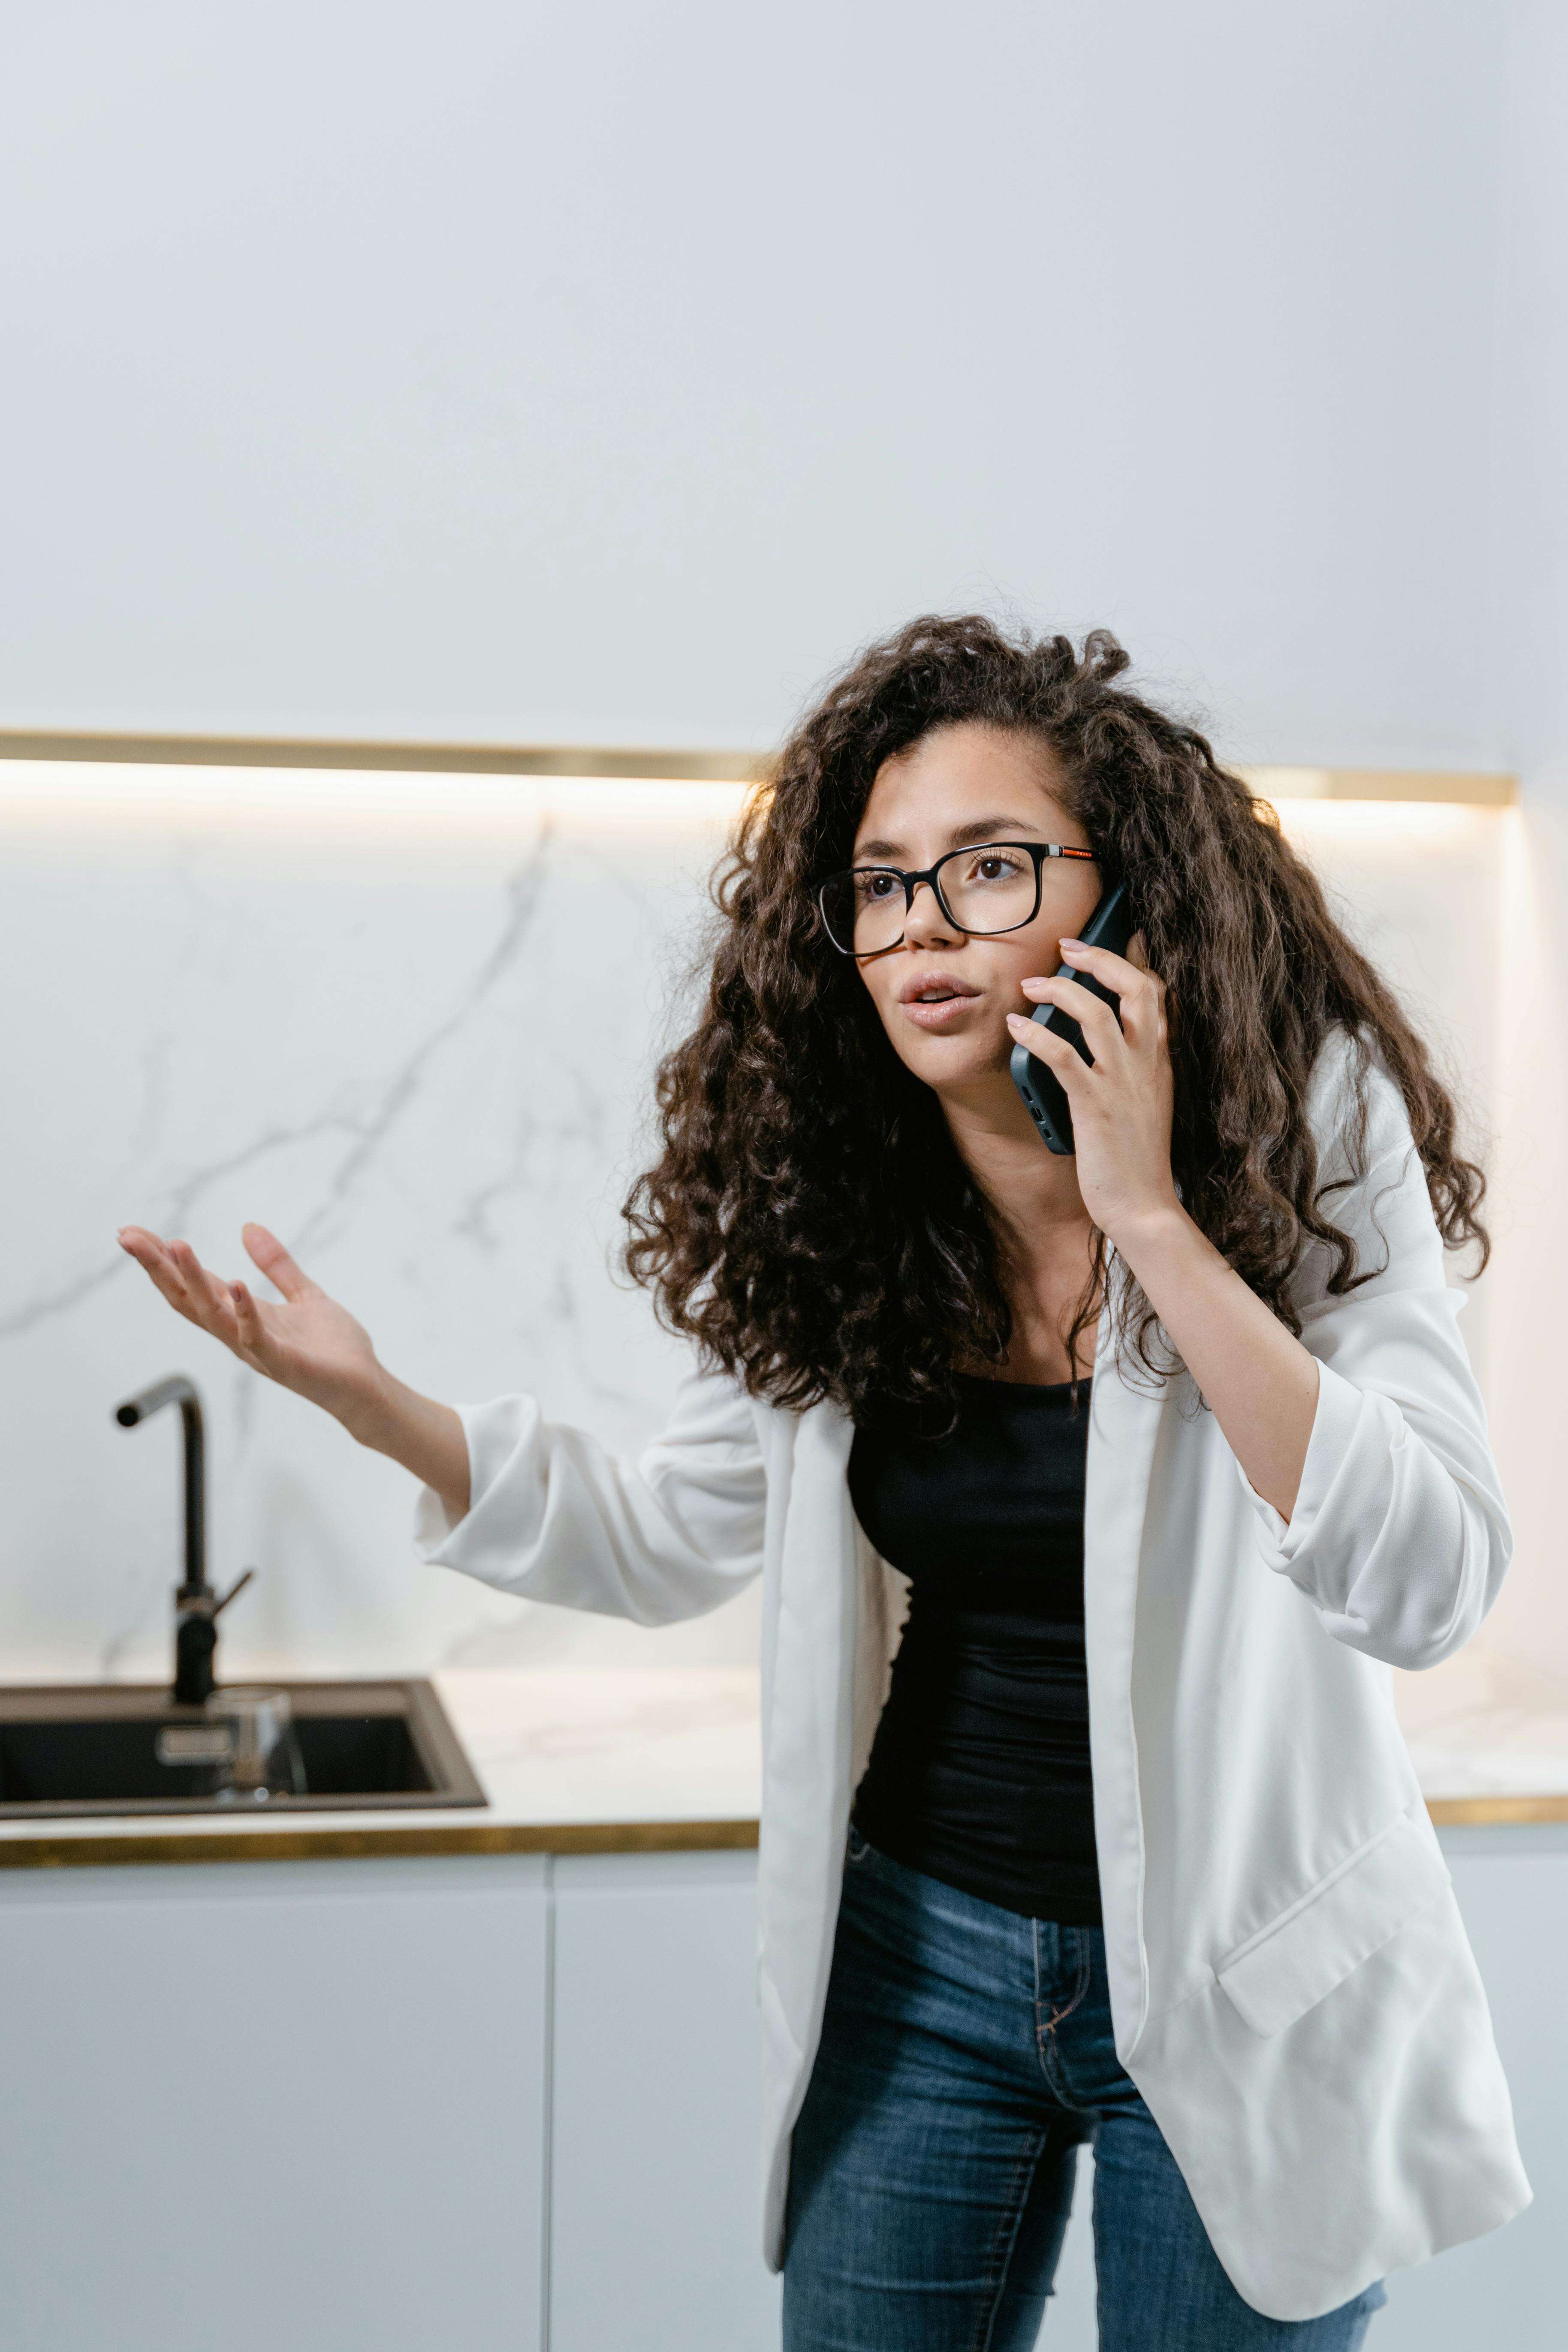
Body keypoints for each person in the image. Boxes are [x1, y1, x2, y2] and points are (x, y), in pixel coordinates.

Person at [119, 618, 1529, 2349]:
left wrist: (1148, 1217)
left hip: (1243, 1973)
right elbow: (656, 1535)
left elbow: (1427, 1571)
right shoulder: (854, 1197)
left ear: (1124, 897)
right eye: (878, 884)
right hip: (919, 1961)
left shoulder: (1298, 1138)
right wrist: (374, 1402)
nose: (921, 924)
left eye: (988, 868)